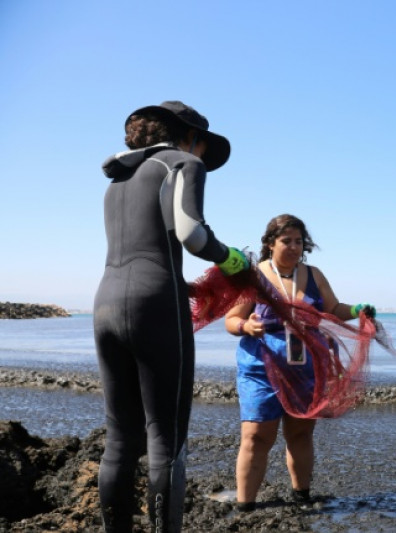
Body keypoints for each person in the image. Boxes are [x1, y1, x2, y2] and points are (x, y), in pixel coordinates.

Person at [94, 101, 250, 532]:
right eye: (201, 146)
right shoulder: (181, 163)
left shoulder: (118, 180)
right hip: (156, 303)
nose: (201, 156)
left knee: (120, 440)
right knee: (166, 442)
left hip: (105, 303)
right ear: (190, 137)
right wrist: (232, 259)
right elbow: (191, 234)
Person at [224, 214, 375, 511]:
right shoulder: (253, 276)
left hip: (305, 368)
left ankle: (302, 495)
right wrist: (246, 327)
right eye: (286, 241)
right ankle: (245, 505)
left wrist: (357, 309)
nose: (294, 247)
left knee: (301, 432)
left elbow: (332, 308)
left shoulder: (314, 275)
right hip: (260, 368)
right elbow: (231, 319)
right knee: (256, 436)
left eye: (299, 241)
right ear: (270, 244)